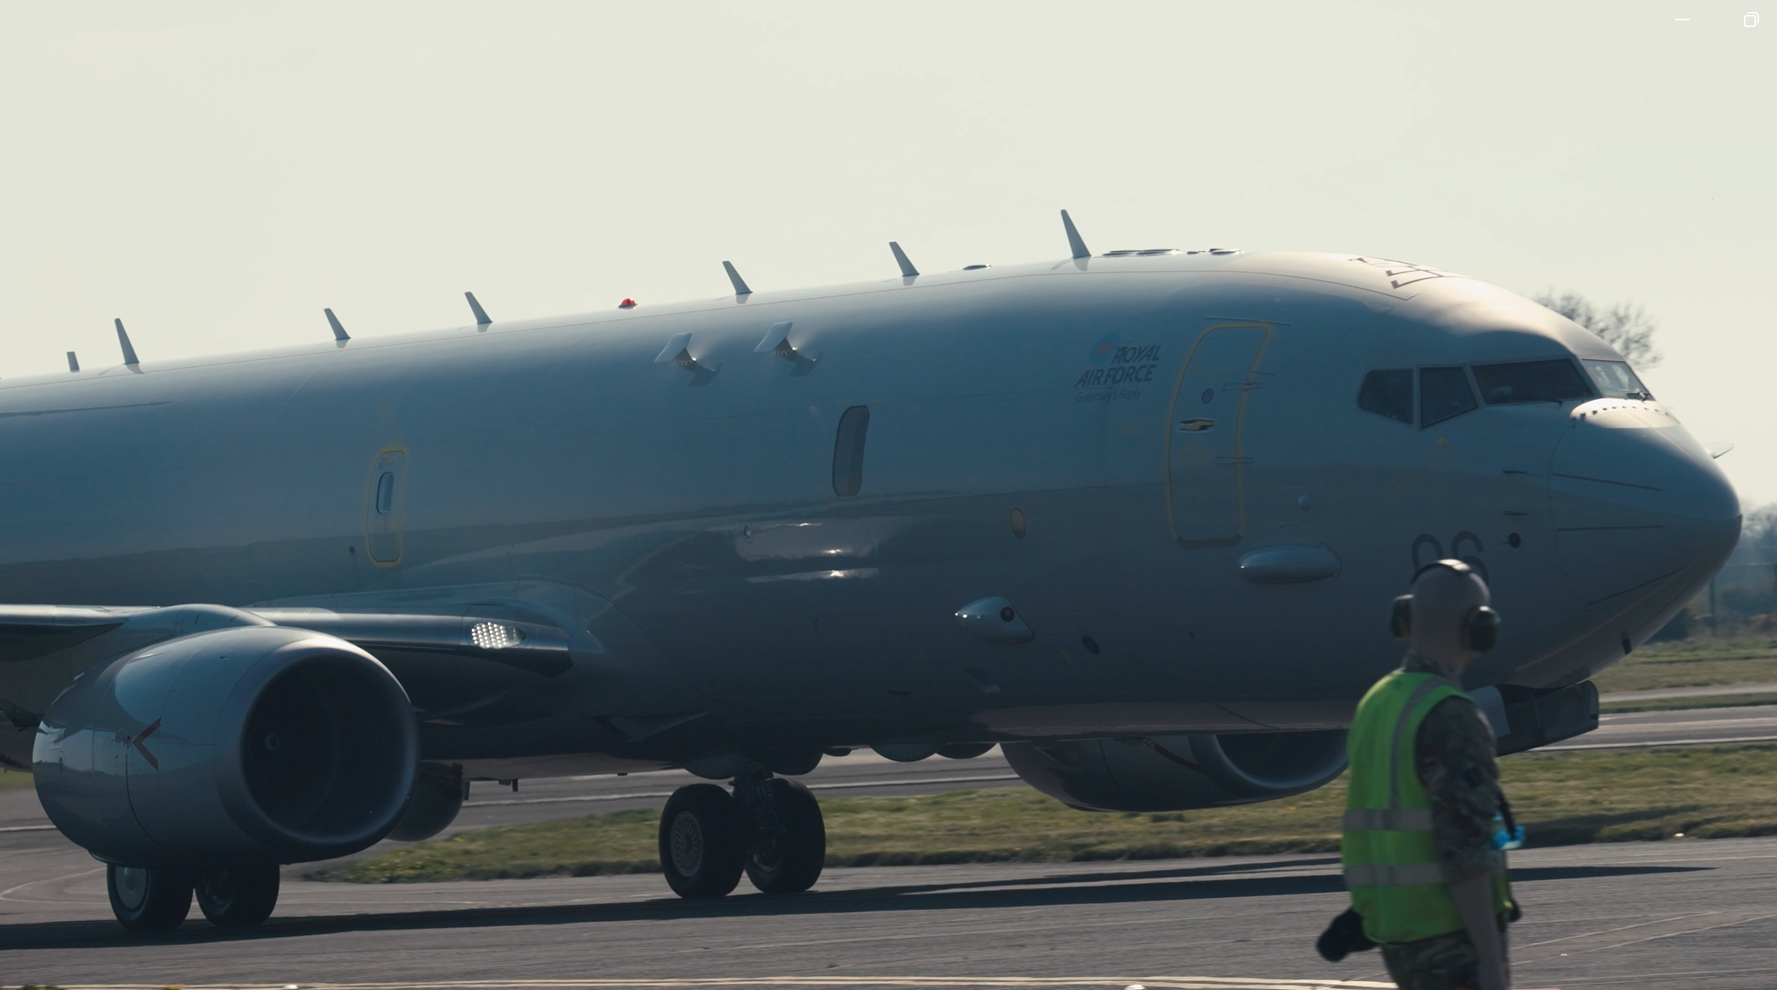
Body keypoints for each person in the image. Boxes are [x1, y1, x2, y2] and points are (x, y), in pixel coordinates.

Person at [1339, 559, 1518, 990]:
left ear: (1405, 619)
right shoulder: (1451, 715)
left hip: (1398, 940)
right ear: (1477, 629)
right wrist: (1491, 962)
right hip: (1451, 947)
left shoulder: (1378, 702)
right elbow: (1465, 850)